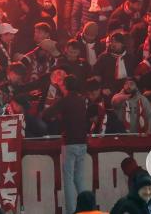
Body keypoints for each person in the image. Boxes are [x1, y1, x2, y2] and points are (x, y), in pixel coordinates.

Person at [41, 75, 88, 214]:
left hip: (69, 143)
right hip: (82, 142)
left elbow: (46, 114)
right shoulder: (81, 100)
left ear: (65, 86)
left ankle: (71, 210)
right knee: (79, 178)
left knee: (68, 179)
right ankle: (85, 209)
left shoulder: (65, 100)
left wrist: (57, 114)